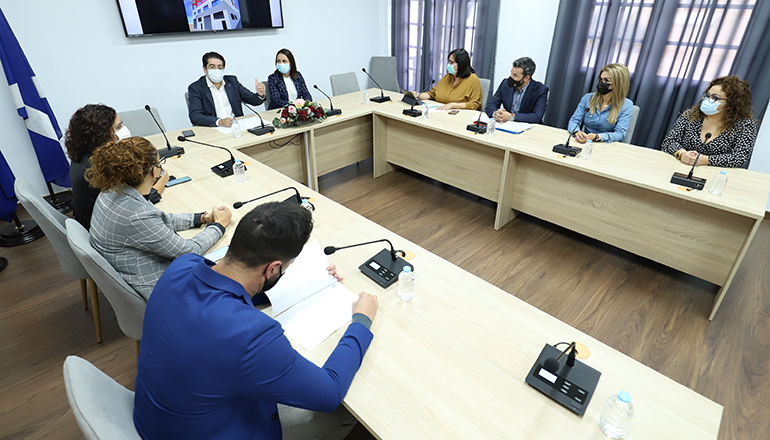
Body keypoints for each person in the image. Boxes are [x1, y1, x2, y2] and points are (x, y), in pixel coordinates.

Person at [133, 201, 379, 440]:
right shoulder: (251, 335)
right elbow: (329, 393)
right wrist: (361, 321)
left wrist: (308, 280)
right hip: (212, 430)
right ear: (272, 269)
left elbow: (229, 285)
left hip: (157, 420)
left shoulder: (182, 265)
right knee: (346, 412)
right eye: (288, 267)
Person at [87, 137, 231, 299]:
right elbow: (189, 251)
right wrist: (219, 225)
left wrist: (202, 218)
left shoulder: (110, 191)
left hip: (131, 274)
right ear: (154, 171)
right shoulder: (138, 215)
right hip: (161, 289)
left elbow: (156, 223)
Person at [65, 104, 169, 230]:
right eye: (119, 126)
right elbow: (138, 200)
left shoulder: (83, 152)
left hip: (89, 217)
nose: (124, 129)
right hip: (100, 226)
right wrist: (162, 179)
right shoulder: (99, 167)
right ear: (102, 134)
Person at [661, 76, 757, 168]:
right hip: (681, 166)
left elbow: (739, 158)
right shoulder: (692, 115)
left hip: (716, 175)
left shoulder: (745, 125)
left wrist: (706, 160)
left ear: (732, 103)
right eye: (707, 95)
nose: (707, 100)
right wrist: (681, 153)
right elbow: (669, 141)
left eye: (714, 97)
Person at [188, 51, 266, 127]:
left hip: (236, 125)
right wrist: (220, 122)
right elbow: (195, 116)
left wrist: (260, 94)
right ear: (205, 69)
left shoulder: (232, 82)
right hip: (213, 128)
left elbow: (252, 100)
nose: (216, 70)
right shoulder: (196, 88)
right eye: (212, 67)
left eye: (219, 67)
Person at [568, 63, 634, 144]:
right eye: (601, 79)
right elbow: (574, 120)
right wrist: (577, 132)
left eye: (606, 80)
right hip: (585, 143)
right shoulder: (588, 98)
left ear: (618, 83)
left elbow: (620, 133)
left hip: (606, 145)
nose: (602, 83)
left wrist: (598, 137)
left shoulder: (626, 105)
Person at [412, 48, 483, 111]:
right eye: (449, 62)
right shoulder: (448, 76)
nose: (449, 65)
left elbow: (475, 105)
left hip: (458, 115)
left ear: (461, 64)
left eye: (452, 62)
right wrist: (417, 95)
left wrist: (453, 105)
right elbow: (432, 94)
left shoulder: (473, 79)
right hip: (440, 111)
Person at [485, 57, 549, 124]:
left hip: (528, 128)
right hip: (506, 125)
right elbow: (491, 104)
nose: (511, 77)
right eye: (511, 73)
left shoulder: (540, 90)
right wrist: (496, 114)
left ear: (526, 78)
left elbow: (537, 116)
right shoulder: (505, 84)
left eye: (515, 75)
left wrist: (512, 117)